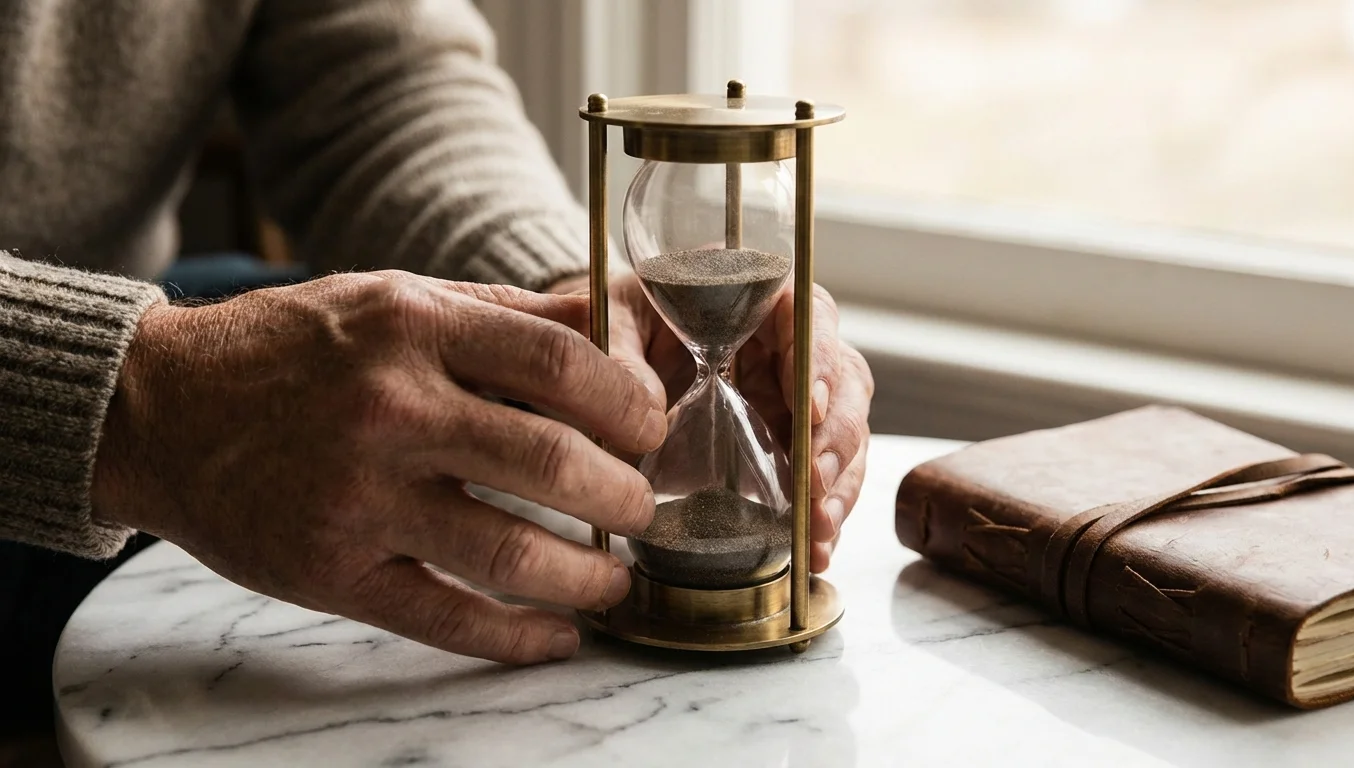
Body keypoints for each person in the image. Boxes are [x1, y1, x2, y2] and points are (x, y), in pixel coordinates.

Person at [0, 0, 873, 725]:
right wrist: (133, 399)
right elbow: (151, 383)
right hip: (51, 395)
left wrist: (570, 306)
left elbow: (379, 80)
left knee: (356, 362)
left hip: (137, 299)